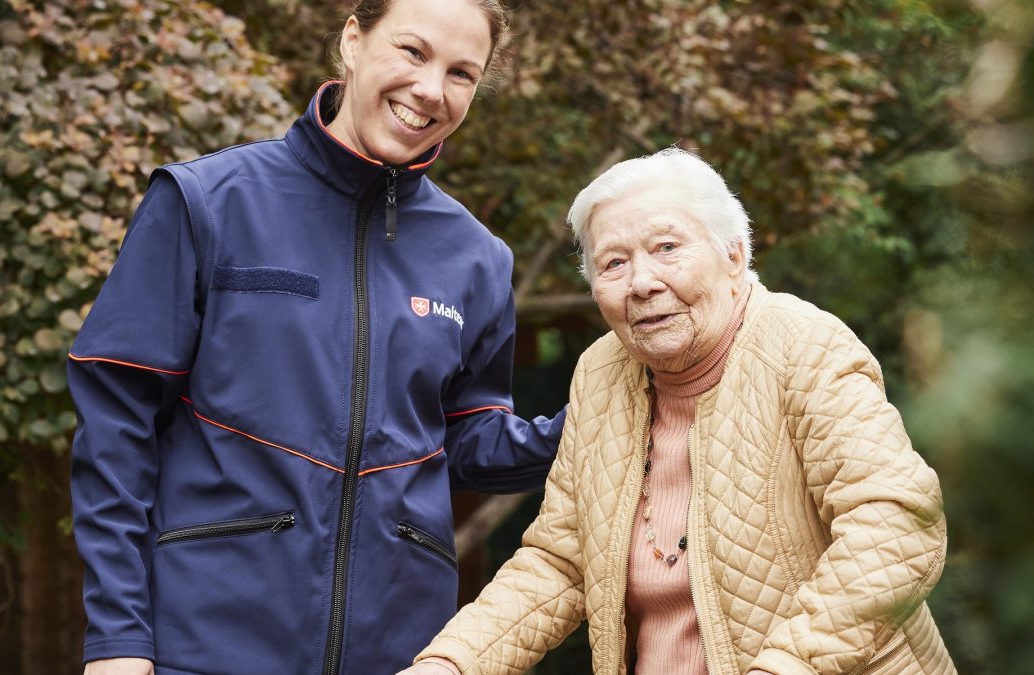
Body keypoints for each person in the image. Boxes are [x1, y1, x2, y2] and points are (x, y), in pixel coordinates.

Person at [67, 1, 564, 673]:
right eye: (413, 52)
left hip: (400, 653)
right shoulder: (205, 201)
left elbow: (473, 444)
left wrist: (605, 414)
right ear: (353, 39)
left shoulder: (477, 260)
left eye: (460, 74)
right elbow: (115, 434)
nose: (430, 90)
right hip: (205, 647)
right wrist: (118, 642)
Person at [403, 148, 956, 675]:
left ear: (734, 255)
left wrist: (788, 665)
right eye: (614, 263)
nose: (643, 283)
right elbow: (561, 562)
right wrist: (451, 661)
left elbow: (895, 526)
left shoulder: (804, 347)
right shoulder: (602, 373)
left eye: (667, 248)